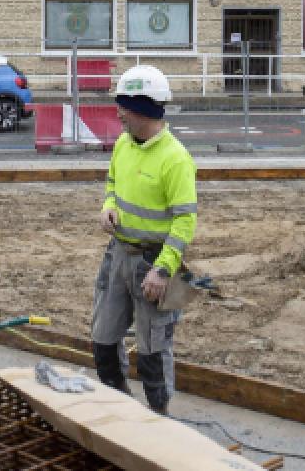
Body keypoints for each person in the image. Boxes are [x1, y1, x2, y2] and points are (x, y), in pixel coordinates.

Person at [91, 65, 197, 415]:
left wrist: (163, 270)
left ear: (147, 110)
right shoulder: (123, 143)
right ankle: (120, 409)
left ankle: (159, 420)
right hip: (118, 255)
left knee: (152, 349)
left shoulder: (175, 159)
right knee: (103, 339)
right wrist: (108, 205)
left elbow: (184, 221)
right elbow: (111, 182)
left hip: (153, 263)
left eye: (126, 106)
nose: (119, 113)